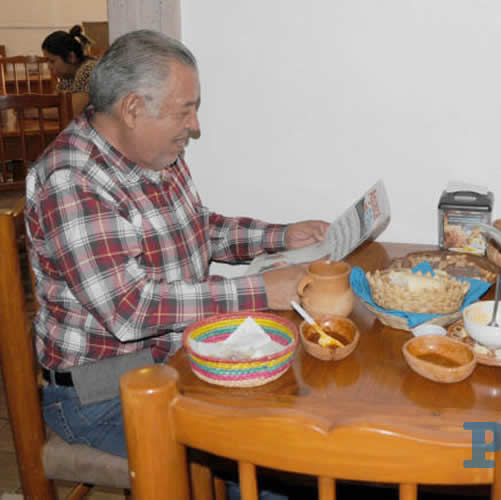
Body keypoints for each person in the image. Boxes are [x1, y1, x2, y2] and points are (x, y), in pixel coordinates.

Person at [25, 28, 329, 470]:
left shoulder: (156, 154)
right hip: (100, 392)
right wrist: (261, 291)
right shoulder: (73, 181)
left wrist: (280, 236)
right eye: (185, 111)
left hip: (171, 360)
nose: (195, 126)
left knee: (296, 408)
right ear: (132, 109)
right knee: (269, 458)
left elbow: (198, 229)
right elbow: (131, 309)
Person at [41, 25, 98, 115]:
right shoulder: (68, 76)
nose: (49, 66)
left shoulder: (89, 70)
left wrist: (34, 112)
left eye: (52, 61)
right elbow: (54, 102)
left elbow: (71, 111)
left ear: (71, 57)